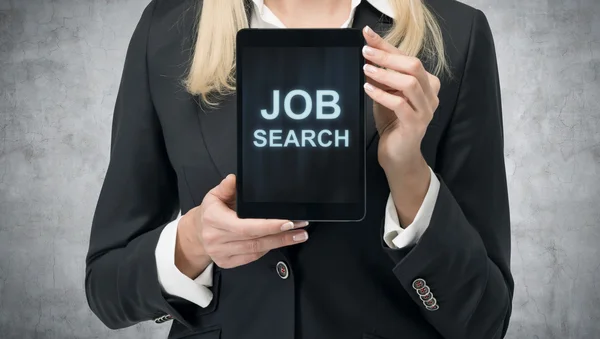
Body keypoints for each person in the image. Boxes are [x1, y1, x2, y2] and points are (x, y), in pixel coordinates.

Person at [85, 0, 514, 338]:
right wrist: (193, 242)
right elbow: (106, 287)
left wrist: (406, 169)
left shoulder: (456, 34)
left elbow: (484, 321)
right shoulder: (167, 30)